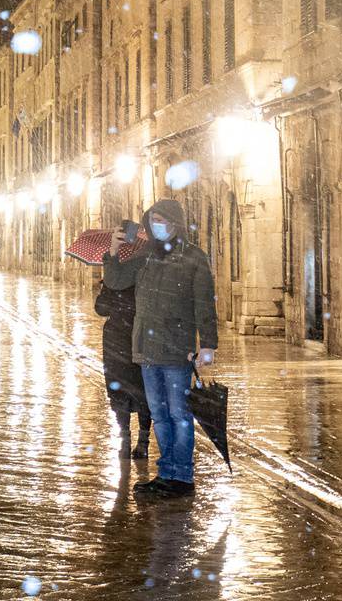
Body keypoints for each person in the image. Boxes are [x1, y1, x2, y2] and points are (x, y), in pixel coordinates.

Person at [103, 198, 218, 500]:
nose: (157, 226)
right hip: (145, 348)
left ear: (175, 224)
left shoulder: (194, 258)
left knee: (179, 414)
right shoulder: (145, 256)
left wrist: (207, 344)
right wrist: (113, 252)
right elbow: (115, 281)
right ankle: (166, 472)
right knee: (159, 414)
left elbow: (204, 303)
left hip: (177, 349)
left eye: (163, 220)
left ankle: (182, 476)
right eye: (153, 220)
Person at [95, 278, 152, 459]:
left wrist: (105, 289)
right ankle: (143, 442)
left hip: (116, 341)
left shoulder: (114, 280)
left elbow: (101, 309)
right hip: (142, 338)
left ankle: (125, 440)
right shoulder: (146, 276)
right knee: (143, 391)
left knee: (119, 392)